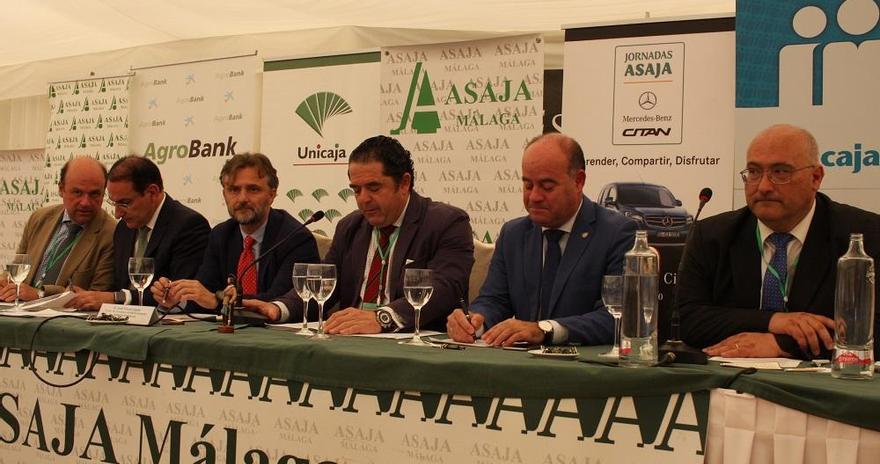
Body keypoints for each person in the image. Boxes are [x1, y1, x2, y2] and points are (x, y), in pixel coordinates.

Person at [678, 124, 880, 359]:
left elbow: (871, 328)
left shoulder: (866, 235)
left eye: (780, 172)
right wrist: (774, 321)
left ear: (815, 177)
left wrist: (782, 345)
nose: (763, 186)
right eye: (754, 172)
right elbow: (689, 319)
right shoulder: (711, 235)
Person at [244, 135, 474, 333]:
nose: (363, 198)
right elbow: (324, 286)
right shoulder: (350, 226)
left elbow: (444, 289)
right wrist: (278, 308)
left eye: (374, 188)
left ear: (404, 183)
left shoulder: (446, 223)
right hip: (351, 339)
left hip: (414, 344)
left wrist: (382, 318)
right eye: (356, 189)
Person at [446, 133, 636, 346]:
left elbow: (617, 317)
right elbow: (494, 300)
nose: (534, 196)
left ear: (578, 181)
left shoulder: (617, 233)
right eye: (528, 185)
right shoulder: (513, 234)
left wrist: (545, 329)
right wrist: (474, 322)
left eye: (547, 187)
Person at [151, 152, 319, 311]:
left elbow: (277, 299)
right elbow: (205, 293)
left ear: (271, 194)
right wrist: (178, 299)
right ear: (224, 194)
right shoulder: (221, 234)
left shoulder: (295, 237)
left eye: (253, 189)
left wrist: (215, 300)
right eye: (233, 190)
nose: (242, 198)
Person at [67, 155, 210, 309]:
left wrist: (117, 298)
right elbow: (116, 285)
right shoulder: (123, 229)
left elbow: (177, 296)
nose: (117, 214)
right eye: (114, 203)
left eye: (124, 203)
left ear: (152, 192)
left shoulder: (188, 226)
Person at [0, 156, 115, 302]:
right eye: (77, 192)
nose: (86, 202)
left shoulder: (111, 234)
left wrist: (40, 294)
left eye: (94, 194)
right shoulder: (39, 218)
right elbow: (16, 270)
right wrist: (5, 283)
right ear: (61, 189)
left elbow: (95, 295)